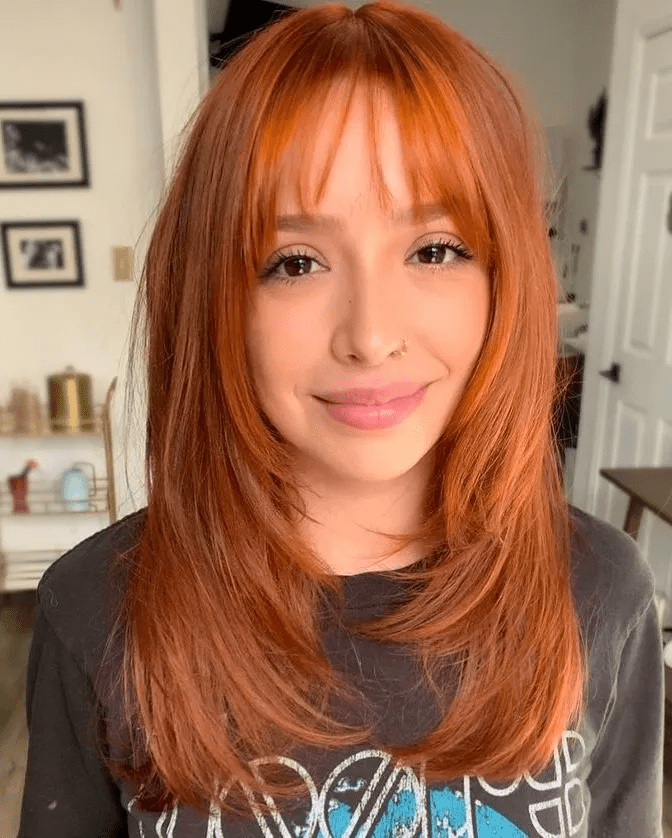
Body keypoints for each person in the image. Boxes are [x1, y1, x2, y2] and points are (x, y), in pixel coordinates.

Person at [18, 2, 664, 836]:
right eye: (296, 262)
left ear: (504, 278)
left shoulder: (601, 589)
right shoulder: (96, 609)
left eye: (435, 249)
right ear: (216, 299)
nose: (370, 335)